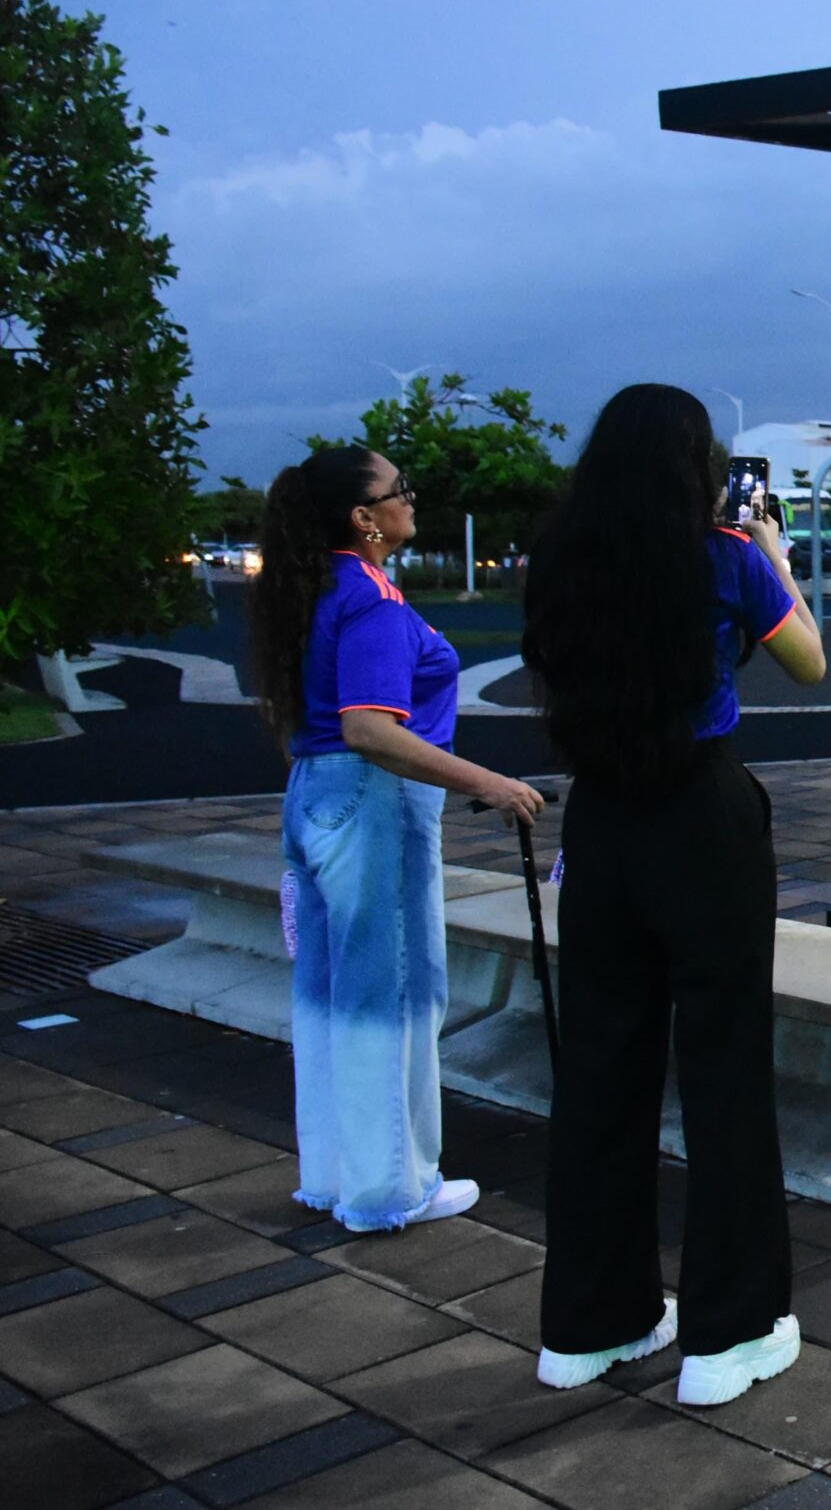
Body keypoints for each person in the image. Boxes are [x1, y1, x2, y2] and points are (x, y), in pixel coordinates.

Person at [520, 385, 826, 1407]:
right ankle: (728, 1332)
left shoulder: (560, 559)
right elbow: (811, 662)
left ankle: (588, 1324)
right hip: (703, 818)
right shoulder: (726, 557)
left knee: (601, 1067)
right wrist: (772, 554)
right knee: (725, 1067)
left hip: (600, 823)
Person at [250, 446, 544, 1232]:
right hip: (374, 802)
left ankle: (338, 1174)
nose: (411, 500)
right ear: (365, 517)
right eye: (398, 491)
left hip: (314, 796)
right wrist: (490, 783)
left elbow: (317, 725)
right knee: (398, 992)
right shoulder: (373, 600)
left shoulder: (316, 589)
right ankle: (391, 1189)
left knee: (330, 989)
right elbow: (371, 730)